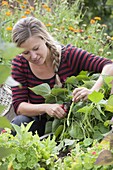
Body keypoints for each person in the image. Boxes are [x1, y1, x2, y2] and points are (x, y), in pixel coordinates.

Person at [11, 16, 113, 136]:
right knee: (19, 123)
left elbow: (109, 65)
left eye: (36, 48)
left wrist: (93, 91)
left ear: (44, 39)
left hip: (73, 124)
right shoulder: (19, 64)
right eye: (26, 53)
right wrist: (46, 108)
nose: (33, 56)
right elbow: (19, 106)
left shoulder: (69, 56)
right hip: (41, 123)